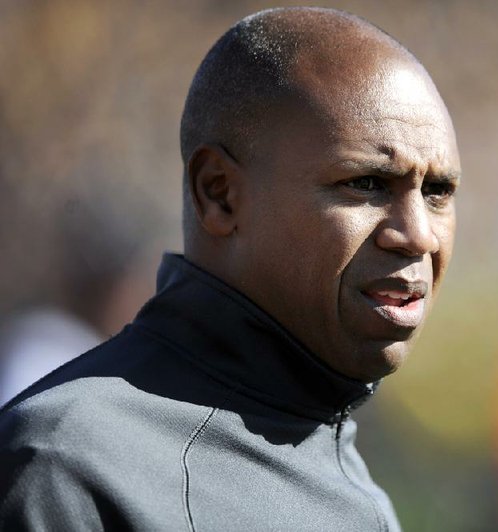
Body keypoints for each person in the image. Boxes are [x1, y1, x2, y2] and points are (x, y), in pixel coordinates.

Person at [0, 7, 460, 531]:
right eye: (367, 184)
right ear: (218, 193)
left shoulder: (344, 474)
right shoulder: (70, 468)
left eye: (438, 192)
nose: (420, 234)